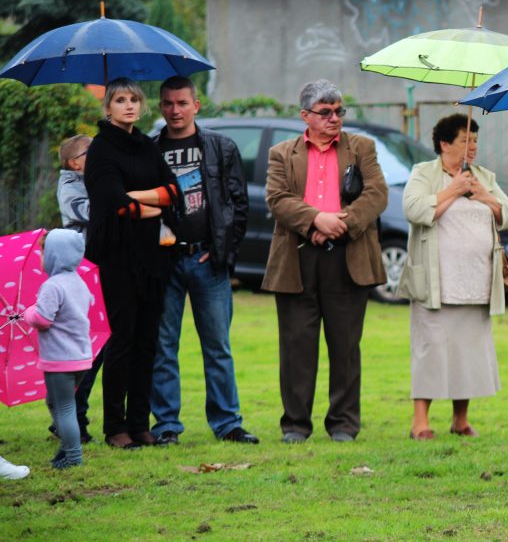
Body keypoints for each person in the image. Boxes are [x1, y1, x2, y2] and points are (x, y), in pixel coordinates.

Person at [263, 80, 388, 443]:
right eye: (326, 112)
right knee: (296, 347)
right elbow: (277, 198)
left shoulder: (361, 147)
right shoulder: (281, 153)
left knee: (345, 346)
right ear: (305, 116)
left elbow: (377, 194)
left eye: (339, 111)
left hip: (348, 257)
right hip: (297, 259)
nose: (335, 118)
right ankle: (296, 425)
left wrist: (339, 224)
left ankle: (344, 424)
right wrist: (316, 220)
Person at [150, 76, 257, 446]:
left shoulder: (220, 147)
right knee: (163, 346)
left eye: (182, 103)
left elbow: (238, 205)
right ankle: (165, 426)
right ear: (160, 107)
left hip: (207, 261)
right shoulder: (150, 149)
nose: (175, 110)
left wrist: (223, 252)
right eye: (168, 103)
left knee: (217, 346)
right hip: (164, 262)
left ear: (197, 105)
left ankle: (228, 422)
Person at [398, 114, 508, 440]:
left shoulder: (484, 176)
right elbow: (414, 209)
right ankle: (420, 421)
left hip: (476, 280)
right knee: (430, 349)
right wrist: (453, 190)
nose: (473, 146)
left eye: (476, 140)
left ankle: (460, 419)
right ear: (445, 144)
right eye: (466, 140)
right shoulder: (424, 173)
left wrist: (485, 196)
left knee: (468, 352)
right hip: (436, 281)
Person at [85, 78, 180, 450]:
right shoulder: (101, 149)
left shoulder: (146, 145)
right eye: (120, 100)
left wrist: (138, 198)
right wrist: (144, 203)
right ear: (107, 108)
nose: (129, 106)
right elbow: (112, 204)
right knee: (122, 341)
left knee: (147, 342)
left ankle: (141, 423)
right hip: (117, 257)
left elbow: (173, 192)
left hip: (153, 258)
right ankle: (115, 426)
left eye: (134, 99)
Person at [24, 229, 93, 469]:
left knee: (63, 407)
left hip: (60, 359)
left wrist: (27, 312)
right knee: (55, 402)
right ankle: (66, 448)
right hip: (81, 358)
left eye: (43, 253)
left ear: (55, 255)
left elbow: (43, 319)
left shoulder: (53, 286)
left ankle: (73, 456)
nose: (40, 258)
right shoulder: (78, 282)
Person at [54, 135, 101, 444]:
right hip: (81, 274)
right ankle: (69, 416)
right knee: (85, 349)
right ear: (75, 163)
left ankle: (71, 414)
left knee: (98, 348)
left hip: (96, 271)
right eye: (91, 152)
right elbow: (91, 213)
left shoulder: (87, 180)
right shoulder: (71, 187)